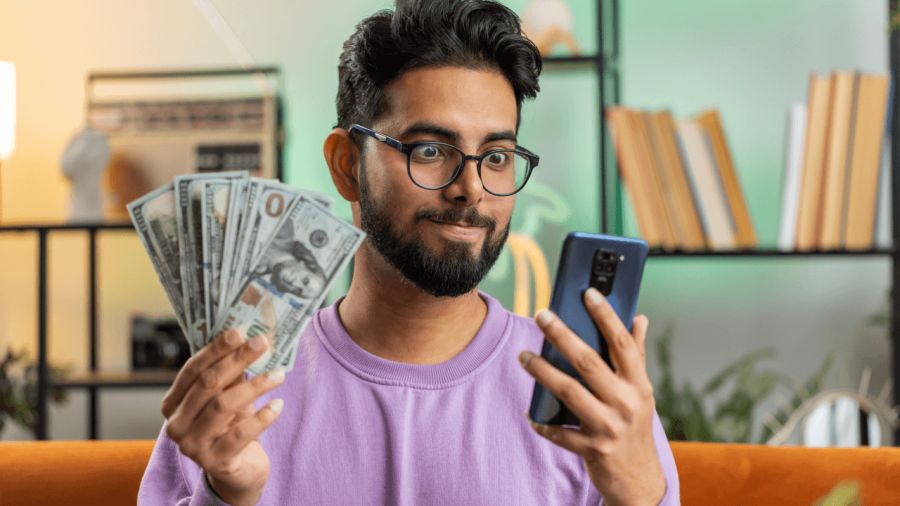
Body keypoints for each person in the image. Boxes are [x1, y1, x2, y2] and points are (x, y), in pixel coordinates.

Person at [138, 1, 680, 504]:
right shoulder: (231, 391)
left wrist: (639, 494)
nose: (470, 187)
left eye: (496, 156)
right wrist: (229, 495)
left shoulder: (590, 398)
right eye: (429, 150)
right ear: (348, 165)